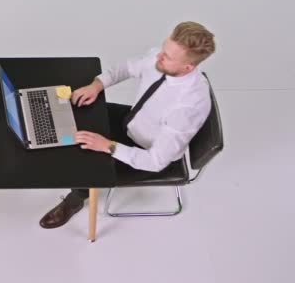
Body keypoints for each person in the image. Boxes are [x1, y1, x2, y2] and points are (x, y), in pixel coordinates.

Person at [39, 21, 216, 228]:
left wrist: (108, 146)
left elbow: (155, 161)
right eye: (163, 48)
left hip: (145, 151)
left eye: (167, 56)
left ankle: (76, 198)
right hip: (134, 121)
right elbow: (128, 67)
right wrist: (97, 85)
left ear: (188, 67)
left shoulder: (188, 107)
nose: (158, 56)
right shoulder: (161, 57)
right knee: (76, 109)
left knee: (81, 164)